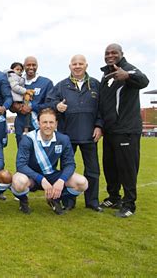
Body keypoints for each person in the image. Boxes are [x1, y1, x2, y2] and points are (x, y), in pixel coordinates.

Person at [98, 43, 149, 218]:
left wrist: (126, 75)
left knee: (127, 168)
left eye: (114, 52)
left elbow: (144, 80)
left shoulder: (129, 69)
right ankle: (114, 197)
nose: (110, 55)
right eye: (107, 53)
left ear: (121, 54)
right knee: (110, 166)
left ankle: (129, 204)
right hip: (110, 131)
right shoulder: (106, 76)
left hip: (126, 129)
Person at [47, 55, 103, 212]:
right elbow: (49, 102)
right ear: (69, 66)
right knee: (67, 169)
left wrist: (99, 125)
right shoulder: (61, 86)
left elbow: (102, 108)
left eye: (80, 64)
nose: (77, 66)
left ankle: (92, 202)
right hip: (67, 136)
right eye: (74, 64)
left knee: (92, 170)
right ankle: (68, 201)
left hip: (90, 134)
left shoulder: (95, 85)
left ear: (86, 65)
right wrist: (56, 106)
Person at [11, 108, 88, 215]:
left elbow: (70, 164)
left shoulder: (63, 139)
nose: (48, 126)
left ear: (56, 124)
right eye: (44, 122)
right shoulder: (28, 139)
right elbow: (21, 165)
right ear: (38, 123)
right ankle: (23, 201)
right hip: (32, 177)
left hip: (52, 176)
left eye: (51, 122)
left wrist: (61, 180)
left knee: (82, 183)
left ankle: (55, 198)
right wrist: (41, 179)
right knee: (19, 182)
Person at [11, 56, 54, 146]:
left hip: (39, 125)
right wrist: (18, 108)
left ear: (37, 66)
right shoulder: (17, 82)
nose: (31, 67)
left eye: (33, 65)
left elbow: (50, 105)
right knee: (23, 154)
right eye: (28, 65)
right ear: (24, 66)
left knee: (39, 154)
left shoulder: (46, 82)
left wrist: (32, 107)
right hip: (21, 125)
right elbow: (10, 101)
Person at [7, 62, 35, 133]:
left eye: (20, 70)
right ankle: (26, 129)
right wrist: (26, 91)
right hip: (15, 100)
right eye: (17, 69)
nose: (19, 71)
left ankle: (26, 128)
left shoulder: (19, 78)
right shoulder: (12, 76)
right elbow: (15, 87)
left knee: (27, 111)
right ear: (12, 69)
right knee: (26, 110)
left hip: (19, 99)